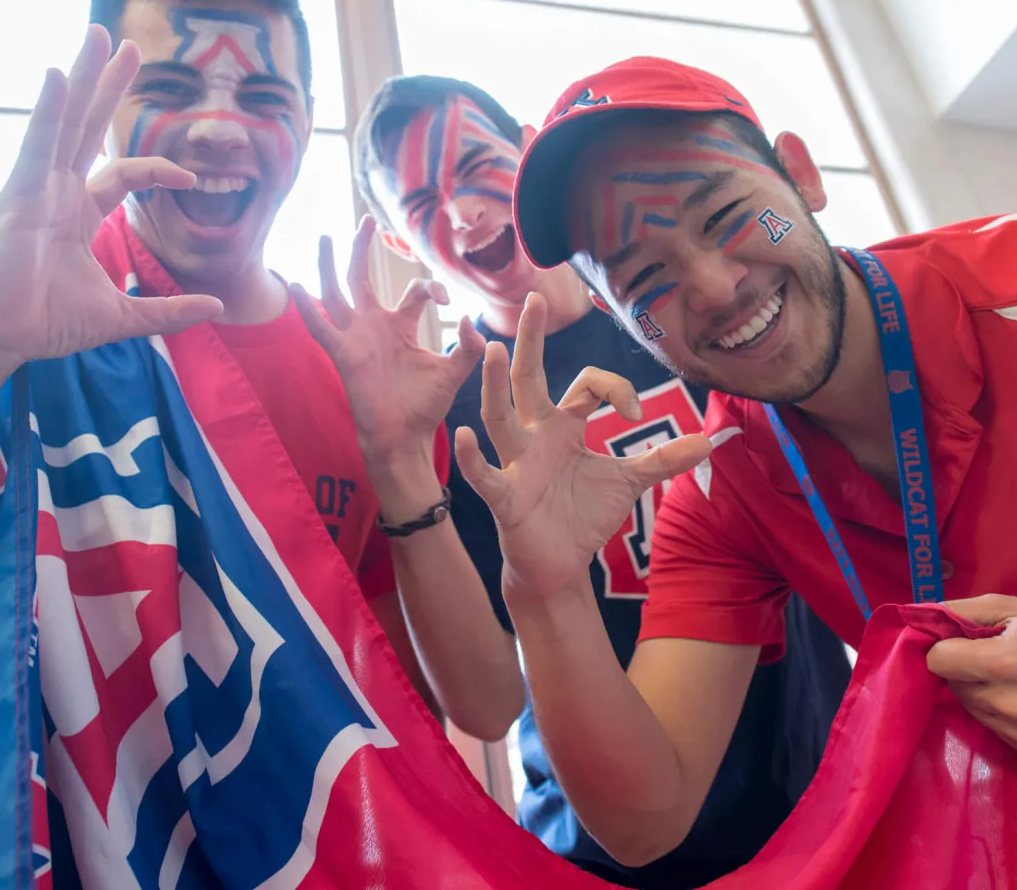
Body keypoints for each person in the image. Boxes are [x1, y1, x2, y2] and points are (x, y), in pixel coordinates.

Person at [0, 0, 492, 878]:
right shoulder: (12, 315)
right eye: (166, 86)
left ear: (307, 121)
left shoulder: (359, 366)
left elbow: (473, 704)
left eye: (266, 97)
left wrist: (406, 466)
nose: (216, 130)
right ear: (105, 104)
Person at [453, 55, 1017, 889]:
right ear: (620, 320)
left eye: (725, 216)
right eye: (647, 279)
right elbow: (645, 819)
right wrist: (546, 586)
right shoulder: (723, 485)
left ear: (800, 175)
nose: (713, 288)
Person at [351, 74, 851, 888]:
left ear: (523, 146)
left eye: (477, 163)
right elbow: (482, 706)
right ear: (401, 243)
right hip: (609, 845)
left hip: (819, 781)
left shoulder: (687, 310)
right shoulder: (451, 417)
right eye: (419, 204)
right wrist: (397, 463)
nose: (464, 213)